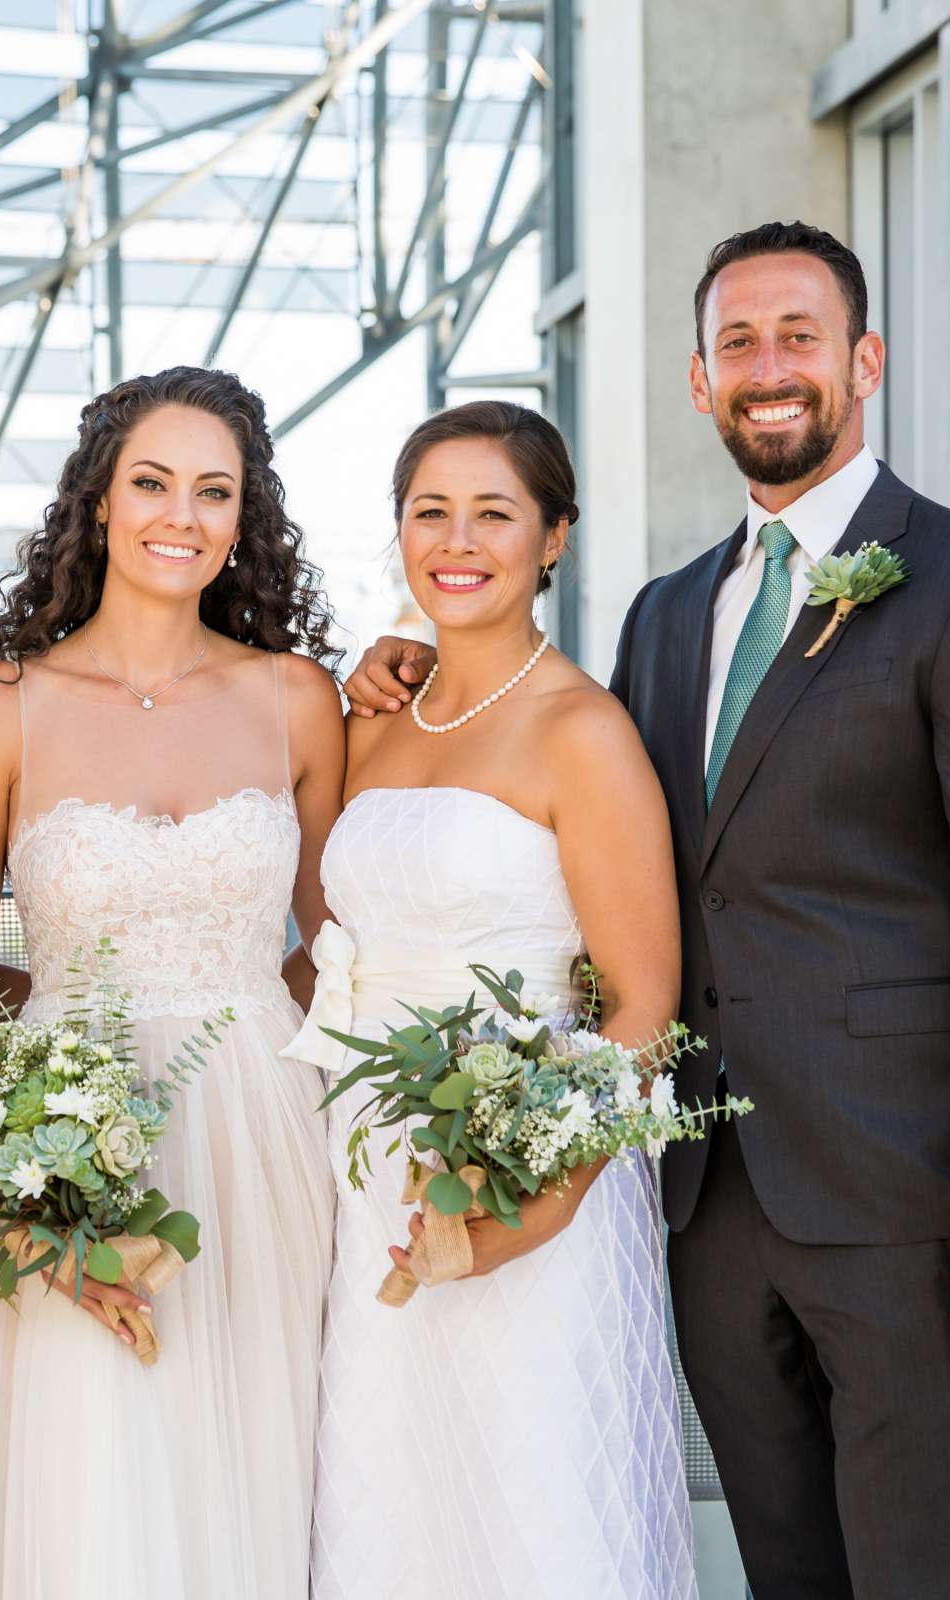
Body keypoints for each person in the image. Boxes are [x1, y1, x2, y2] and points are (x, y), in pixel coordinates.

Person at [345, 220, 950, 1598]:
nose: (768, 368)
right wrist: (410, 677)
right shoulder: (663, 615)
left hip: (908, 1205)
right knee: (787, 1574)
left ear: (862, 362)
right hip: (703, 1204)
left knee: (935, 1576)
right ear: (699, 382)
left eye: (797, 337)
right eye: (736, 343)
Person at [0, 367, 346, 1598]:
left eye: (215, 491)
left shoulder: (298, 700)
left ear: (244, 519)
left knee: (263, 1478)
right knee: (87, 1493)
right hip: (64, 1145)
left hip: (265, 1144)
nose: (183, 513)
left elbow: (337, 939)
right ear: (99, 503)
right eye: (154, 482)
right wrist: (23, 1159)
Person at [293, 401, 696, 1597]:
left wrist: (539, 1192)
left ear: (554, 537)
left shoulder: (584, 731)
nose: (457, 541)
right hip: (368, 1176)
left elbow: (642, 1010)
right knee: (392, 1506)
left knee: (533, 1509)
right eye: (430, 511)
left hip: (532, 1188)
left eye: (494, 513)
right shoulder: (369, 720)